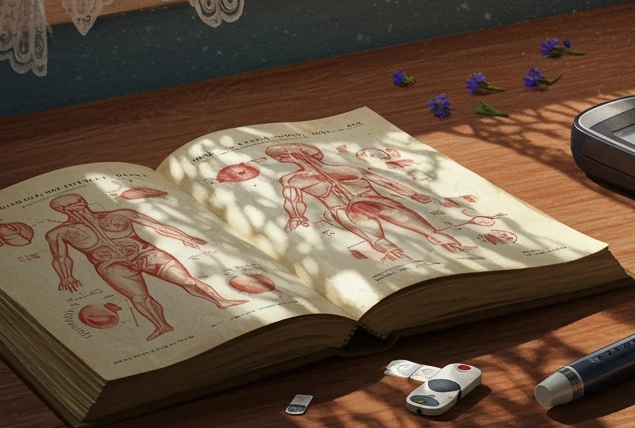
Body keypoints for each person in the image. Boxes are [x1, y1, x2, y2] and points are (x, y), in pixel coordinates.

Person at [44, 193, 246, 342]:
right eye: (68, 206)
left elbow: (158, 226)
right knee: (139, 298)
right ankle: (162, 326)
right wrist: (66, 277)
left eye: (78, 201)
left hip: (145, 253)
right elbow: (60, 257)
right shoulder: (59, 233)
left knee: (186, 280)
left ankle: (221, 301)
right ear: (61, 210)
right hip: (110, 265)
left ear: (84, 200)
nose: (76, 207)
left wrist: (185, 237)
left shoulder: (121, 214)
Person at [267, 142, 467, 260]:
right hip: (343, 211)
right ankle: (383, 244)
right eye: (290, 154)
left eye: (300, 151)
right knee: (345, 213)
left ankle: (432, 234)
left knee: (382, 207)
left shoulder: (350, 169)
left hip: (374, 201)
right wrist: (296, 216)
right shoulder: (293, 180)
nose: (298, 155)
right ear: (284, 159)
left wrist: (412, 194)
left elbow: (385, 182)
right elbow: (292, 198)